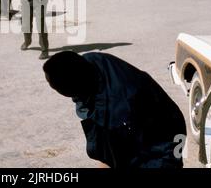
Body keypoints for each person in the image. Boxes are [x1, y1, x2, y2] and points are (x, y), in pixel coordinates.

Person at [43, 51, 187, 168]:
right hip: (148, 121)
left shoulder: (116, 108)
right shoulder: (89, 61)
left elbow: (116, 154)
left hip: (163, 138)